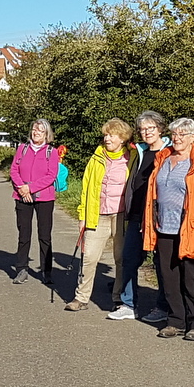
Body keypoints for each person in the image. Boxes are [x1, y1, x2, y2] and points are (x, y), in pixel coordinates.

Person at [143, 118, 194, 341]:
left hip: (191, 228)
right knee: (168, 276)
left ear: (193, 138)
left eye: (183, 134)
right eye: (174, 134)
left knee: (192, 278)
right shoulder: (163, 159)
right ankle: (176, 320)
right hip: (164, 227)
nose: (177, 138)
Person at [66, 118, 132, 312]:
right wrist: (82, 216)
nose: (107, 138)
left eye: (111, 134)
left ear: (122, 138)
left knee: (120, 258)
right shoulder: (97, 158)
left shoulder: (132, 157)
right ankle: (81, 298)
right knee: (89, 257)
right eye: (105, 134)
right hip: (98, 214)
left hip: (121, 215)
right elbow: (86, 188)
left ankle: (118, 298)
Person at [111, 111, 172, 322]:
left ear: (160, 129)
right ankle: (128, 304)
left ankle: (163, 307)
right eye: (143, 129)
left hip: (158, 217)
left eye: (151, 128)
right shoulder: (139, 152)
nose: (146, 132)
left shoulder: (169, 152)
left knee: (160, 264)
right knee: (129, 259)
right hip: (136, 215)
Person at [9, 119, 60, 285]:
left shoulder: (51, 152)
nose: (36, 133)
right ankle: (21, 269)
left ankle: (47, 271)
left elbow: (51, 176)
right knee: (24, 235)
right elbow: (14, 170)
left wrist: (30, 188)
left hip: (44, 198)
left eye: (40, 130)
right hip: (22, 197)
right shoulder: (22, 149)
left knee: (44, 236)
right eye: (34, 129)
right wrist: (22, 188)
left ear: (47, 134)